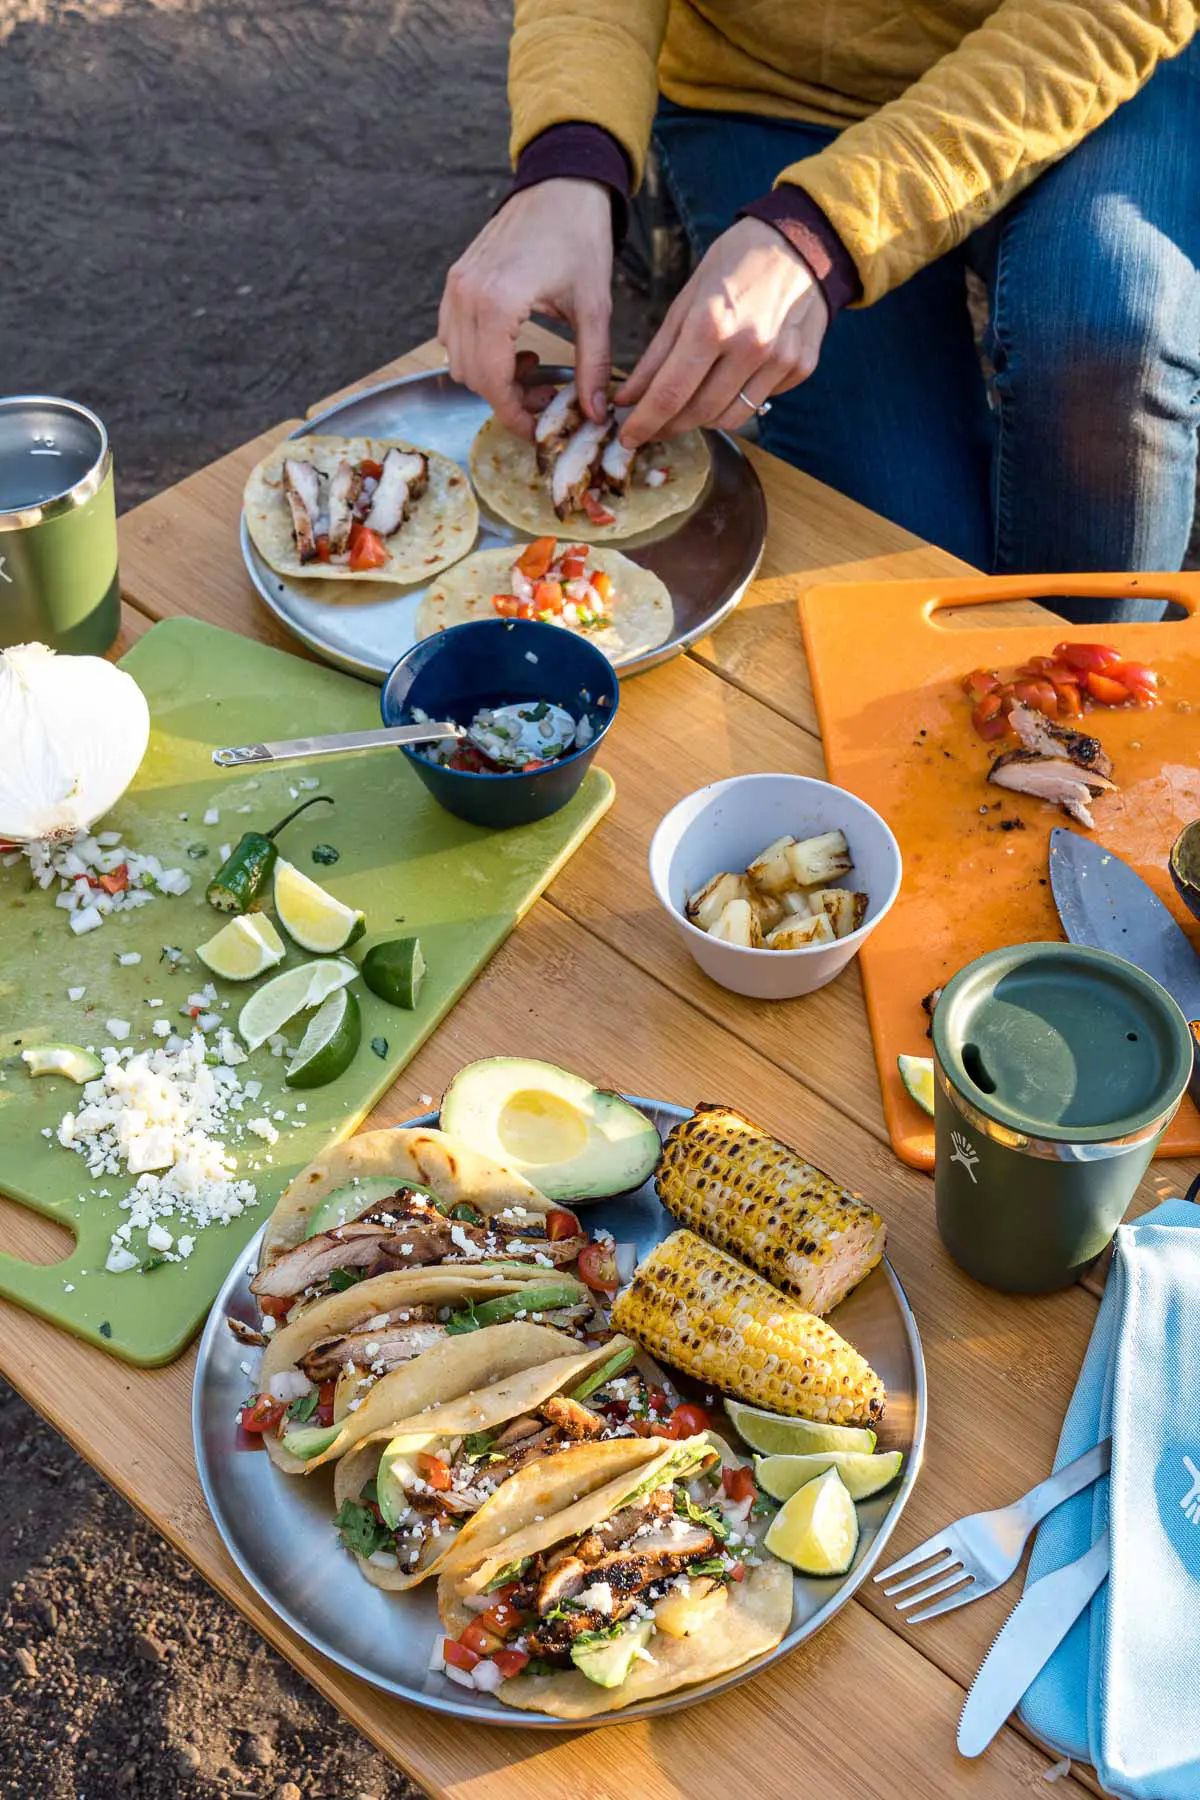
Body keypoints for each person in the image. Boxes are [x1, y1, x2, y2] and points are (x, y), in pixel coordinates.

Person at [438, 2, 1199, 619]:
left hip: (1081, 56)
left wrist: (823, 231)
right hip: (764, 90)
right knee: (900, 579)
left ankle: (1095, 704)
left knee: (1111, 341)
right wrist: (568, 161)